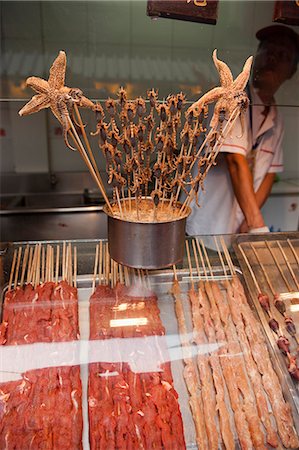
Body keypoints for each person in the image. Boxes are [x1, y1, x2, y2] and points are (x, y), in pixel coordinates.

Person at [186, 25, 299, 238]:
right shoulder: (232, 100)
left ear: (292, 72)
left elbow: (269, 175)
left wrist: (249, 223)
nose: (273, 58)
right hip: (205, 226)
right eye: (268, 50)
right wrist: (257, 226)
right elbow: (235, 162)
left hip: (237, 227)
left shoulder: (277, 118)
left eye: (282, 55)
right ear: (257, 56)